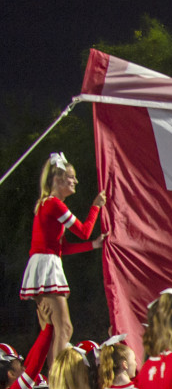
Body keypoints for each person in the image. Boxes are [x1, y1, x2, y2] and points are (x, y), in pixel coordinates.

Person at [21, 153, 106, 360]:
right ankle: (58, 383)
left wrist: (93, 245)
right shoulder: (54, 205)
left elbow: (63, 248)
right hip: (46, 266)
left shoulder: (47, 205)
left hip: (45, 264)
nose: (75, 181)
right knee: (64, 329)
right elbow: (84, 230)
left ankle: (53, 383)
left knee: (51, 333)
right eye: (71, 177)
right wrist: (96, 206)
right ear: (57, 180)